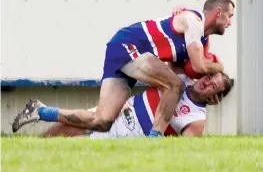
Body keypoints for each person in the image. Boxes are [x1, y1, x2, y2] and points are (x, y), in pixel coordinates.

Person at [12, 0, 235, 137]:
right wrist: (220, 65)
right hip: (129, 45)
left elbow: (192, 70)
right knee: (174, 86)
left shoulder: (202, 39)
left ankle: (40, 111)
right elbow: (201, 65)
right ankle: (154, 141)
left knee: (102, 120)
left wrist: (213, 91)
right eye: (229, 16)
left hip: (124, 51)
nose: (230, 22)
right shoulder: (194, 22)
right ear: (218, 13)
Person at [14, 72, 234, 138]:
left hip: (126, 133)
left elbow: (183, 152)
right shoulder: (182, 78)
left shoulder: (196, 120)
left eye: (213, 86)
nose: (206, 83)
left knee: (74, 140)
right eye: (209, 78)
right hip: (118, 110)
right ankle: (38, 141)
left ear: (216, 97)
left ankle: (40, 111)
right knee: (65, 126)